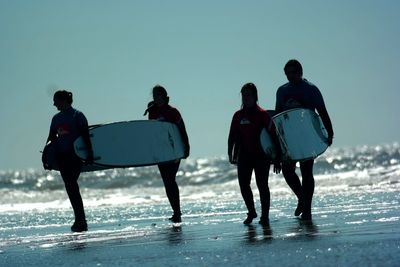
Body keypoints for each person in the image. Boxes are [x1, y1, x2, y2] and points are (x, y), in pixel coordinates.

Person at [275, 59, 334, 220]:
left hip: (308, 137)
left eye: (293, 72)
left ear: (300, 72)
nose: (290, 76)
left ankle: (307, 209)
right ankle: (302, 198)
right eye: (287, 73)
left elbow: (322, 111)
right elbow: (278, 117)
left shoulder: (311, 89)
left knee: (307, 173)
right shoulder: (281, 91)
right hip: (290, 138)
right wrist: (277, 144)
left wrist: (329, 132)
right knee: (287, 171)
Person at [228, 83, 281, 225]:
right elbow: (232, 135)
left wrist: (277, 158)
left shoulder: (262, 115)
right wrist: (230, 153)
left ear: (255, 97)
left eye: (249, 95)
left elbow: (274, 136)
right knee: (243, 185)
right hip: (244, 155)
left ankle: (265, 216)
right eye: (244, 95)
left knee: (262, 185)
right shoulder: (238, 115)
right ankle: (251, 211)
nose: (246, 98)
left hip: (261, 156)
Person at [45, 90, 93, 232]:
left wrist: (90, 154)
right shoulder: (56, 118)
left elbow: (85, 136)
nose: (54, 104)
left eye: (56, 100)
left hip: (75, 156)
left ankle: (81, 220)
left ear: (63, 100)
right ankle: (80, 220)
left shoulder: (77, 116)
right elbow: (51, 140)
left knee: (71, 185)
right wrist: (47, 158)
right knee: (70, 187)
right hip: (62, 157)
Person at [144, 85, 190, 223]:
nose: (156, 98)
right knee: (167, 181)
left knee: (170, 179)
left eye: (158, 95)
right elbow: (152, 133)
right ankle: (176, 211)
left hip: (174, 150)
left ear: (164, 96)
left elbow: (182, 129)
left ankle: (177, 212)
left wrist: (186, 146)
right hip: (161, 152)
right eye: (154, 96)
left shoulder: (173, 111)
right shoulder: (152, 112)